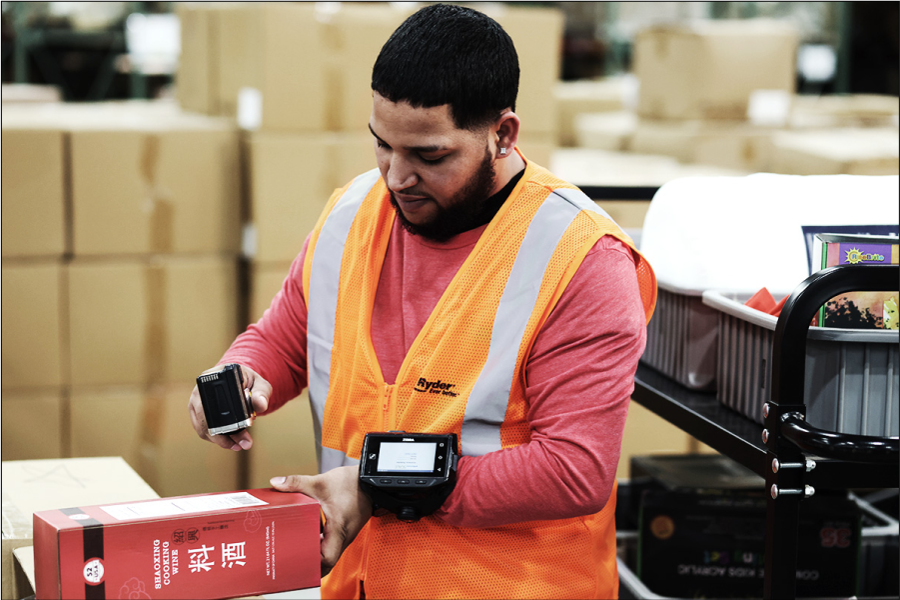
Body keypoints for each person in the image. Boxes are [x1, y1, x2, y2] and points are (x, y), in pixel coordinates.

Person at [188, 4, 656, 599]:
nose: (396, 177)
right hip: (362, 583)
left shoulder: (582, 261)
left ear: (502, 134)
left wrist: (373, 487)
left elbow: (572, 471)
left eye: (429, 156)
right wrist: (243, 376)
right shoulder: (353, 215)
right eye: (383, 145)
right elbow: (284, 337)